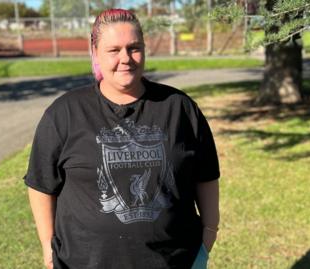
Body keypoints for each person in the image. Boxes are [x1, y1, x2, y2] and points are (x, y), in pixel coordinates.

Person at [24, 9, 220, 269]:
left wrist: (209, 232)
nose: (125, 58)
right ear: (95, 52)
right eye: (114, 50)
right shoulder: (65, 113)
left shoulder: (179, 108)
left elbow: (205, 174)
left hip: (175, 260)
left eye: (134, 48)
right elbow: (41, 184)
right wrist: (48, 250)